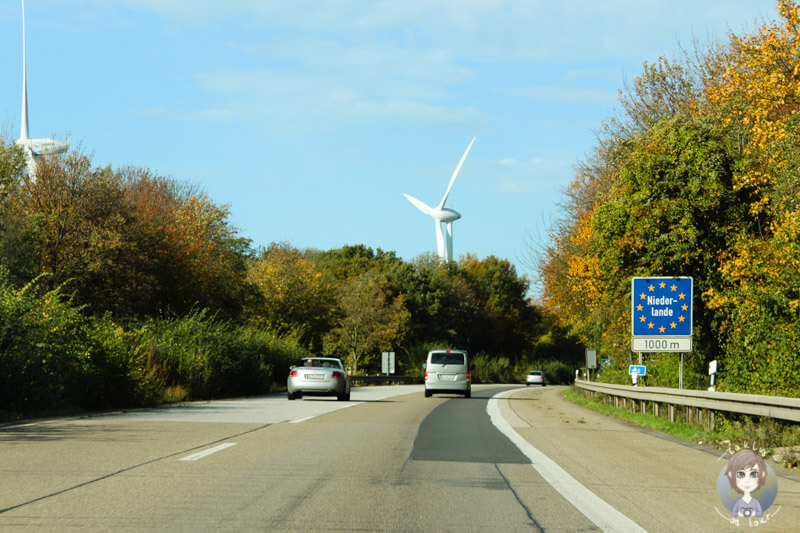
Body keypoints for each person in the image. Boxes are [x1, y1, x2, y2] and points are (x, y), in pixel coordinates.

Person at [725, 449, 767, 518]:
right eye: (741, 474)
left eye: (754, 474)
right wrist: (740, 514)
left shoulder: (755, 502)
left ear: (762, 474)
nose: (747, 480)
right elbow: (734, 513)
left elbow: (760, 513)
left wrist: (753, 513)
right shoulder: (738, 502)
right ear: (731, 475)